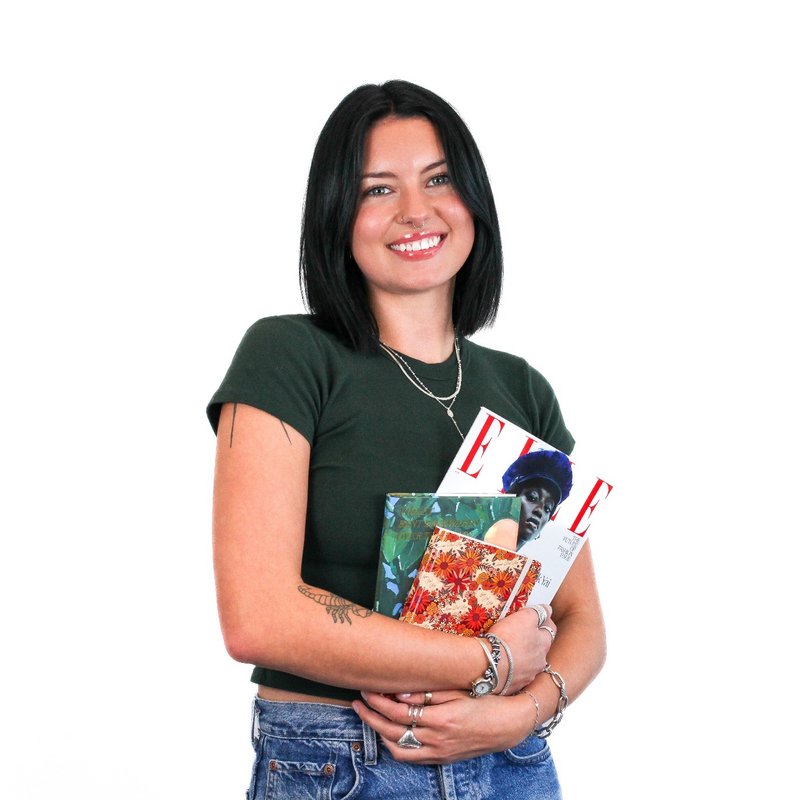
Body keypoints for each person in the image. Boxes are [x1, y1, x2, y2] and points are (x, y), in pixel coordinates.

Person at [208, 80, 606, 800]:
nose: (416, 211)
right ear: (337, 216)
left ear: (474, 201)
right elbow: (256, 618)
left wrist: (518, 712)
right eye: (377, 190)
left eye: (439, 179)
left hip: (510, 761)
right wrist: (485, 663)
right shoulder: (288, 356)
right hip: (344, 759)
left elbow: (579, 620)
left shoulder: (523, 389)